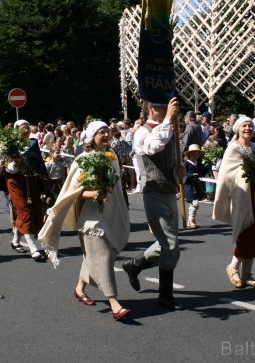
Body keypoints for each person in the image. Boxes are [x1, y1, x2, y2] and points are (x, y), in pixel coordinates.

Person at [39, 121, 132, 321]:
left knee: (94, 256)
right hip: (90, 218)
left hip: (109, 213)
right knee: (103, 256)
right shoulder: (82, 159)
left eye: (108, 131)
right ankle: (114, 302)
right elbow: (73, 190)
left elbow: (116, 189)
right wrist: (91, 193)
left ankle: (79, 288)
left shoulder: (112, 157)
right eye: (101, 132)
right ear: (91, 137)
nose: (106, 134)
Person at [122, 97, 185, 311]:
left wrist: (180, 171)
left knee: (166, 243)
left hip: (169, 191)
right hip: (153, 191)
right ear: (150, 107)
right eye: (161, 106)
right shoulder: (142, 131)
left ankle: (134, 264)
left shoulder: (170, 129)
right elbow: (154, 146)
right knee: (170, 244)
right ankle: (165, 296)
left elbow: (174, 159)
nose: (166, 109)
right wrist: (168, 118)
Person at [213, 117, 255, 288]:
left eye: (250, 126)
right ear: (237, 129)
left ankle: (247, 274)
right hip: (242, 194)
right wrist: (247, 172)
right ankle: (233, 267)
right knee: (245, 231)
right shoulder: (233, 148)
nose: (247, 128)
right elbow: (228, 172)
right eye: (244, 126)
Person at [0, 120, 50, 262]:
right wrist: (15, 162)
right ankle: (33, 248)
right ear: (16, 130)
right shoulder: (9, 144)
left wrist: (42, 176)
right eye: (22, 129)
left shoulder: (32, 143)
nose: (25, 131)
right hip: (15, 181)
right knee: (25, 211)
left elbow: (38, 163)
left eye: (27, 128)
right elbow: (7, 167)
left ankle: (15, 241)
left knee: (33, 209)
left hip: (30, 181)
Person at [183, 143, 205, 229]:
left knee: (195, 203)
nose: (196, 155)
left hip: (196, 185)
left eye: (197, 153)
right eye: (193, 153)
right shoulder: (186, 163)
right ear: (189, 154)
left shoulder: (198, 163)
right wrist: (191, 175)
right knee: (194, 202)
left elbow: (201, 173)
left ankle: (191, 220)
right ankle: (191, 220)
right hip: (189, 185)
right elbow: (183, 174)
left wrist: (209, 165)